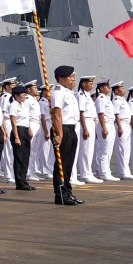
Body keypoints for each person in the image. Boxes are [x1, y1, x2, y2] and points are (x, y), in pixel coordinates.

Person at [50, 65, 83, 206]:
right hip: (62, 129)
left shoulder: (68, 92)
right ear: (61, 78)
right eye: (70, 77)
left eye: (73, 76)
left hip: (70, 128)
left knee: (68, 164)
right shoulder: (58, 91)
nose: (73, 79)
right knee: (61, 164)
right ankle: (60, 195)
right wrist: (59, 134)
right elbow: (56, 114)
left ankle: (68, 193)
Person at [8, 85, 36, 190]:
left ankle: (24, 180)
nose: (24, 96)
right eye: (23, 94)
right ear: (16, 95)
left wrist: (29, 129)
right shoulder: (13, 105)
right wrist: (16, 137)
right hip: (18, 131)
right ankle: (19, 183)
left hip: (25, 130)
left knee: (25, 157)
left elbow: (26, 119)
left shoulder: (24, 105)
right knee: (19, 158)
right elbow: (14, 123)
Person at [76, 76, 102, 183]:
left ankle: (88, 172)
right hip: (85, 122)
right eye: (90, 83)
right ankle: (85, 174)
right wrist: (85, 128)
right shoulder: (81, 95)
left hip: (91, 122)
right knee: (85, 150)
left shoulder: (87, 95)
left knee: (90, 149)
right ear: (84, 84)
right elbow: (81, 113)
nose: (92, 86)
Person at [93, 79, 119, 181]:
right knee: (104, 151)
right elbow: (101, 114)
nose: (109, 88)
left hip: (110, 124)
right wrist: (104, 128)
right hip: (105, 124)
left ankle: (106, 171)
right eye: (106, 86)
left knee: (108, 150)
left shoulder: (107, 99)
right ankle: (103, 172)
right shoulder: (101, 99)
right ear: (101, 88)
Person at [112, 82, 133, 179]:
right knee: (122, 149)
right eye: (121, 88)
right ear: (116, 90)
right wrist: (119, 127)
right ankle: (122, 172)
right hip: (121, 125)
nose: (124, 89)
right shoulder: (116, 100)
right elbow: (116, 115)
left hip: (127, 125)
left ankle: (126, 171)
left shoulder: (123, 100)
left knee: (127, 149)